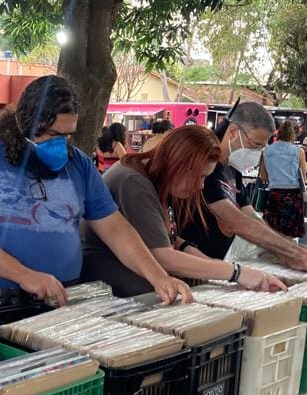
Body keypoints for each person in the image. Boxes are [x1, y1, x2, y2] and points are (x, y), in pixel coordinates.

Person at [0, 75, 191, 307]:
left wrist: (158, 276)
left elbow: (115, 229)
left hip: (56, 304)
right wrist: (24, 275)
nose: (60, 144)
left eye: (67, 135)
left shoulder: (78, 163)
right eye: (51, 134)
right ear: (24, 124)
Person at [80, 125, 286, 296]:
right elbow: (161, 255)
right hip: (110, 289)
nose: (200, 186)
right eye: (198, 176)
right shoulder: (133, 183)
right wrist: (235, 272)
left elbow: (165, 237)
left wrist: (208, 263)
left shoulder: (157, 177)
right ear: (178, 164)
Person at [180, 101, 307, 278]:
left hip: (212, 267)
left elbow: (251, 216)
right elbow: (236, 221)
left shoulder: (233, 169)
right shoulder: (205, 169)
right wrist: (296, 255)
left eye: (261, 148)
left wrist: (284, 250)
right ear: (233, 132)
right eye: (254, 145)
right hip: (187, 266)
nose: (257, 153)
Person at [258, 121, 305, 239]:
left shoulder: (266, 151)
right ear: (293, 135)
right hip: (293, 195)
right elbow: (302, 176)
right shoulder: (298, 152)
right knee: (289, 233)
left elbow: (263, 176)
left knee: (272, 230)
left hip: (274, 194)